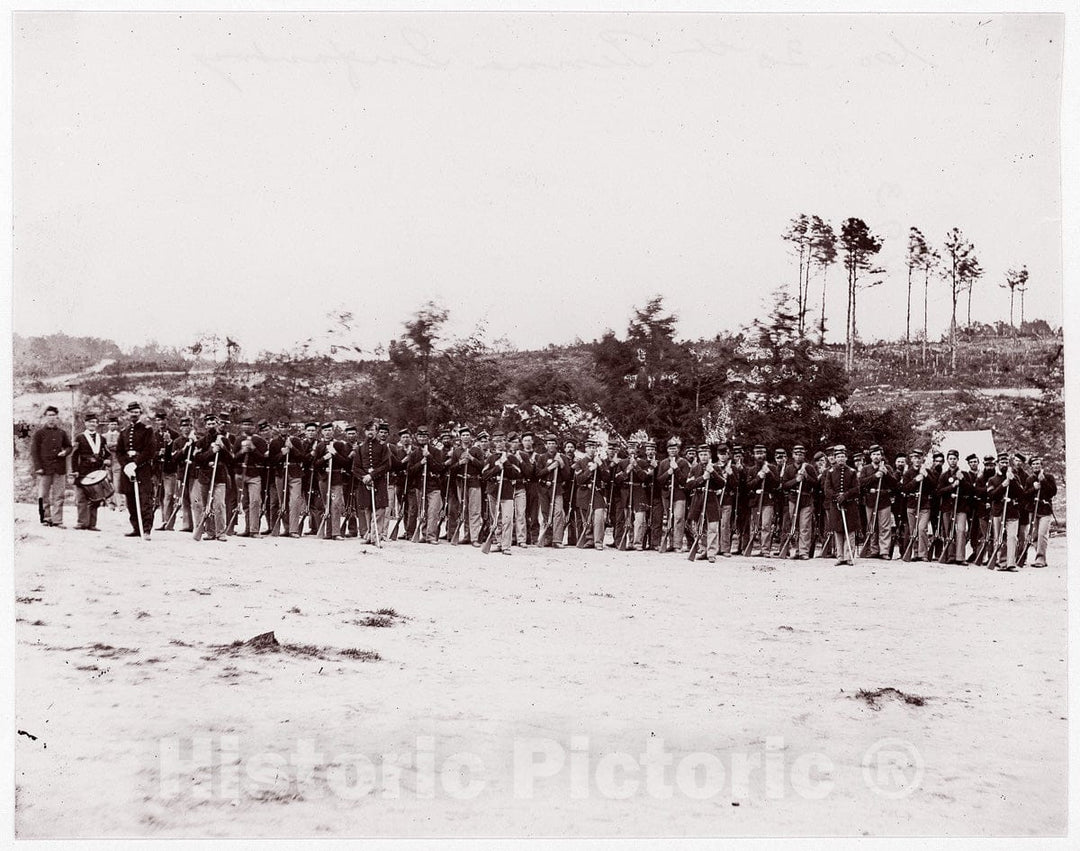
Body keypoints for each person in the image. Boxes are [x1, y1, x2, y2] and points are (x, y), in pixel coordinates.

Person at [116, 401, 156, 539]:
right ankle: (136, 528)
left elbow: (150, 450)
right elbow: (119, 452)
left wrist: (136, 464)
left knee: (145, 500)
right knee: (131, 500)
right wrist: (126, 465)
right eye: (131, 412)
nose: (134, 414)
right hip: (128, 470)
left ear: (140, 414)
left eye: (136, 412)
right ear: (128, 414)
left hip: (142, 469)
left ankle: (146, 530)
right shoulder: (124, 432)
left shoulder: (147, 430)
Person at [30, 404, 73, 527]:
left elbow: (69, 446)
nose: (51, 418)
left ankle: (57, 520)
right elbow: (34, 451)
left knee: (59, 495)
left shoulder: (62, 433)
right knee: (43, 495)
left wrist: (65, 452)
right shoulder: (39, 433)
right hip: (44, 468)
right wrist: (38, 467)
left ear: (57, 417)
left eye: (54, 415)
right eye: (49, 415)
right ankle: (46, 518)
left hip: (59, 468)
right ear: (45, 417)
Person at [70, 412, 110, 531]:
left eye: (94, 422)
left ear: (97, 424)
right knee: (81, 497)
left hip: (97, 470)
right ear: (85, 423)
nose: (92, 424)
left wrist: (107, 460)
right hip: (83, 470)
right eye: (90, 422)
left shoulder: (102, 438)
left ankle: (92, 524)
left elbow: (107, 453)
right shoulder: (79, 437)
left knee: (96, 497)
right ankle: (82, 522)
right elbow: (74, 456)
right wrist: (75, 470)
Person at [823, 444, 861, 565]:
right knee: (838, 531)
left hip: (849, 505)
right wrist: (836, 497)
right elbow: (827, 489)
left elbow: (857, 489)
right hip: (836, 505)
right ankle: (840, 557)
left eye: (842, 457)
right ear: (835, 458)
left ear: (846, 458)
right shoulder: (830, 472)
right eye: (838, 456)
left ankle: (849, 557)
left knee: (850, 531)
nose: (840, 459)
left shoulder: (852, 472)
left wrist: (845, 496)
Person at [858, 444, 897, 558]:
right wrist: (875, 476)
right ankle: (873, 550)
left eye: (878, 454)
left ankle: (884, 551)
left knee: (885, 527)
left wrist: (886, 474)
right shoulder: (866, 469)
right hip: (870, 501)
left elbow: (895, 484)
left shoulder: (888, 468)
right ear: (870, 456)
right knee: (871, 526)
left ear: (881, 456)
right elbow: (861, 483)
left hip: (884, 501)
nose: (876, 456)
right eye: (874, 454)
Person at [573, 436, 610, 549]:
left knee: (599, 517)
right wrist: (590, 470)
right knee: (586, 518)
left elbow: (607, 478)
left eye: (594, 447)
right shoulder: (579, 463)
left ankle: (598, 541)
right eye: (589, 447)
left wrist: (600, 466)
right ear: (586, 449)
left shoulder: (600, 461)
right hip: (584, 492)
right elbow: (579, 480)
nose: (592, 450)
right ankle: (589, 540)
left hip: (597, 493)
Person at [783, 444, 818, 559]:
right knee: (795, 526)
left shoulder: (809, 468)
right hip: (793, 499)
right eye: (796, 454)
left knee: (805, 526)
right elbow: (784, 485)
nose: (798, 456)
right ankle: (796, 550)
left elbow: (816, 484)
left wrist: (807, 477)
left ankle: (803, 552)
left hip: (806, 499)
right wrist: (796, 480)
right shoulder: (788, 468)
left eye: (801, 454)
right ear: (793, 455)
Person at [656, 437, 690, 553]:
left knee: (679, 518)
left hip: (679, 494)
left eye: (674, 448)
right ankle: (670, 542)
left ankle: (677, 544)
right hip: (666, 494)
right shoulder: (663, 463)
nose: (672, 451)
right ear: (667, 450)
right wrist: (668, 472)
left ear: (678, 450)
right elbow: (659, 480)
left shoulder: (683, 463)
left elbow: (685, 480)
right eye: (670, 448)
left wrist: (676, 470)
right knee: (669, 518)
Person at [1028, 455, 1056, 568]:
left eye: (1038, 464)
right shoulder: (1029, 479)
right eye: (1034, 464)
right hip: (1033, 510)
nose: (1036, 466)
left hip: (1045, 510)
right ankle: (1041, 557)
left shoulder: (1049, 477)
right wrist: (1033, 488)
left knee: (1042, 534)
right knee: (1034, 536)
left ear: (1041, 465)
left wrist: (1043, 481)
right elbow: (1025, 495)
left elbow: (1052, 492)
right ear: (1031, 466)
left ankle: (1040, 558)